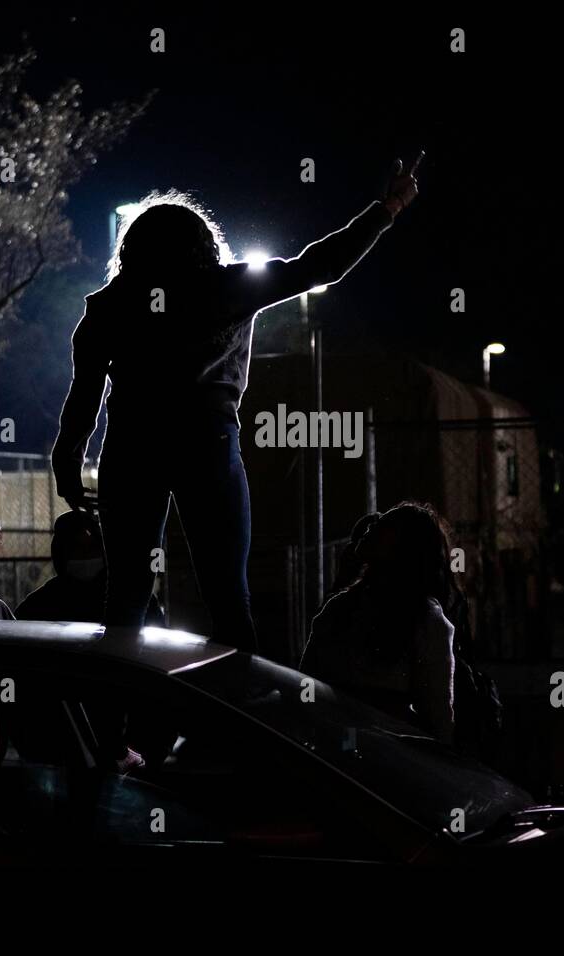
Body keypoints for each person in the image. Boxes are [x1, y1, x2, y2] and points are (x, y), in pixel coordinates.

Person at [51, 154, 424, 654]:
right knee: (228, 598)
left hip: (132, 447)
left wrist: (68, 461)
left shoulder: (107, 307)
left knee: (126, 601)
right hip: (208, 443)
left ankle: (114, 728)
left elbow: (85, 398)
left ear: (131, 248)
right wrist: (386, 209)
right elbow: (320, 267)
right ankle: (237, 721)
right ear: (205, 243)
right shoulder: (226, 288)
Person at [300, 501, 456, 745]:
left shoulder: (424, 620)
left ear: (404, 548)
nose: (372, 526)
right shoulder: (341, 608)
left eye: (386, 525)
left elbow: (437, 717)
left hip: (376, 755)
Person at [15, 509, 165, 626]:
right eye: (76, 548)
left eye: (92, 548)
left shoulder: (133, 599)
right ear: (61, 554)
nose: (86, 555)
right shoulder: (39, 605)